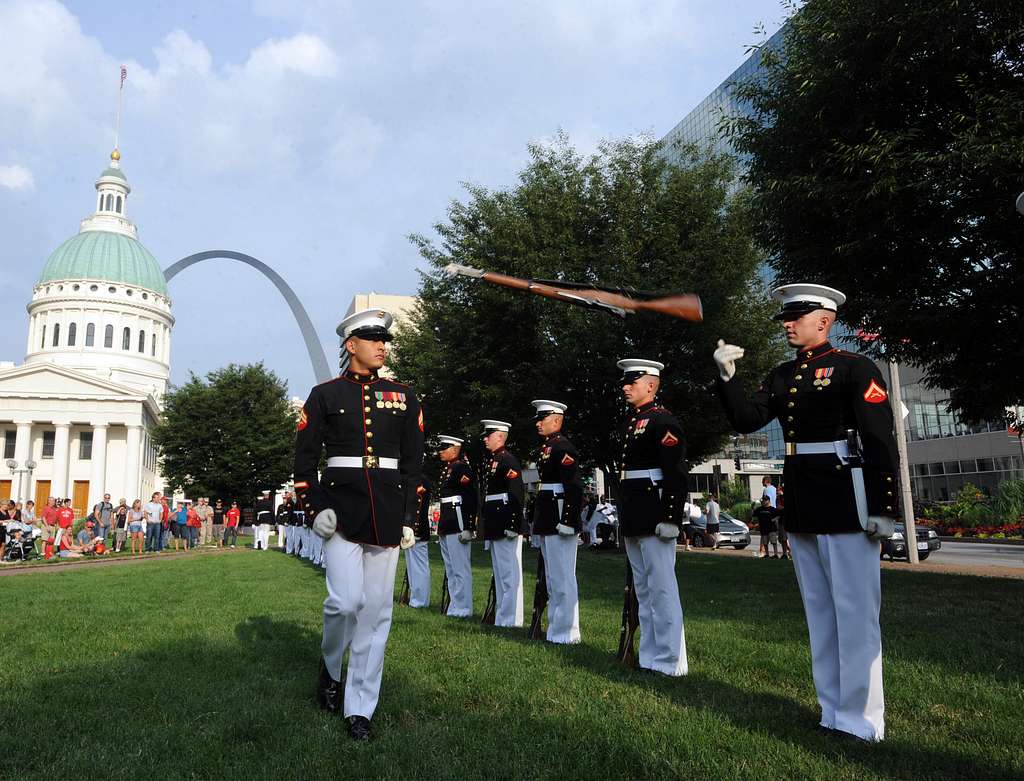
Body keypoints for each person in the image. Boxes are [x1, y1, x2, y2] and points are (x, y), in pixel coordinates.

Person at [714, 282, 899, 743]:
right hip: (802, 495)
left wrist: (884, 507)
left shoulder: (855, 368)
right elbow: (746, 420)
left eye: (796, 315)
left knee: (854, 612)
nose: (787, 323)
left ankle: (862, 719)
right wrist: (727, 377)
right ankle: (832, 711)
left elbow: (879, 440)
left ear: (825, 319)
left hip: (843, 493)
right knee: (819, 611)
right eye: (785, 317)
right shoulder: (782, 375)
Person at [294, 307, 424, 741]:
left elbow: (412, 463)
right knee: (344, 603)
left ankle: (360, 707)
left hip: (386, 511)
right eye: (373, 340)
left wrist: (409, 516)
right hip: (339, 509)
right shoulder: (325, 395)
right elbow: (305, 458)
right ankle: (331, 668)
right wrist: (313, 508)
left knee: (376, 611)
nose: (382, 346)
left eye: (384, 340)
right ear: (352, 345)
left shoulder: (404, 396)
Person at [615, 358, 689, 677]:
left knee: (661, 587)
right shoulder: (634, 421)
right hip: (635, 508)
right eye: (624, 381)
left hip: (654, 508)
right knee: (643, 589)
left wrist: (671, 517)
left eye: (633, 381)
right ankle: (649, 655)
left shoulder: (664, 422)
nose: (625, 386)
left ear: (651, 384)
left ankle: (670, 660)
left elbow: (675, 472)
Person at [530, 400, 583, 644]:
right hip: (548, 513)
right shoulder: (548, 448)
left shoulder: (563, 448)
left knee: (563, 576)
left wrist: (570, 520)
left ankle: (567, 632)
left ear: (557, 420)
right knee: (552, 577)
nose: (538, 423)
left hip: (560, 514)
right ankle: (556, 628)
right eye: (538, 419)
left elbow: (573, 487)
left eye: (543, 418)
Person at [479, 419, 526, 628]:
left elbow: (515, 493)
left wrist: (513, 524)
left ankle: (512, 619)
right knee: (500, 573)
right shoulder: (494, 460)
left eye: (488, 435)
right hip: (496, 523)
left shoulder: (508, 460)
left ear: (500, 436)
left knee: (509, 574)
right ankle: (502, 616)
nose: (485, 439)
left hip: (506, 523)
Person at [434, 435, 478, 618]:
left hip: (457, 519)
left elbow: (470, 497)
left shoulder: (462, 468)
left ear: (455, 449)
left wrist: (469, 526)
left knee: (460, 568)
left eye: (444, 448)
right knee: (451, 568)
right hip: (447, 519)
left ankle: (463, 608)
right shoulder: (449, 468)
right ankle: (455, 605)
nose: (440, 452)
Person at [403, 473, 432, 608]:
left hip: (417, 529)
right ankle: (416, 598)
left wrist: (413, 527)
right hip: (412, 528)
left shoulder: (419, 480)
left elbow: (417, 504)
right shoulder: (414, 479)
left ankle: (420, 600)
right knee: (412, 567)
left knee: (419, 567)